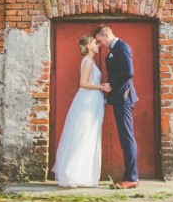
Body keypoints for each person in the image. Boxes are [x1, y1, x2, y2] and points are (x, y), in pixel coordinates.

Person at [52, 35, 110, 187]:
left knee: (88, 134)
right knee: (85, 134)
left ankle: (82, 175)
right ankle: (74, 174)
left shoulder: (89, 61)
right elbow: (83, 83)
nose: (98, 45)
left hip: (92, 99)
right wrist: (101, 87)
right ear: (89, 45)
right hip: (88, 100)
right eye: (95, 43)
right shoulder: (88, 61)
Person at [94, 24, 139, 189]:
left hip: (124, 98)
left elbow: (128, 72)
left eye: (99, 41)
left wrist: (111, 85)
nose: (99, 45)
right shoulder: (114, 49)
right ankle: (131, 176)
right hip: (119, 98)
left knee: (127, 137)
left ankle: (131, 178)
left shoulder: (122, 47)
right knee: (125, 137)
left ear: (106, 35)